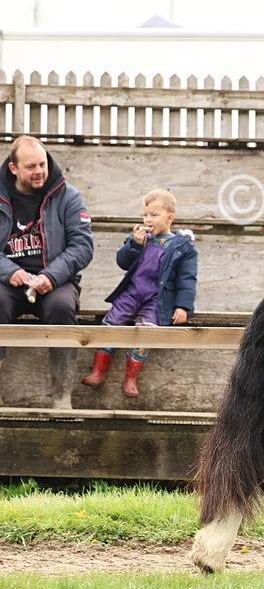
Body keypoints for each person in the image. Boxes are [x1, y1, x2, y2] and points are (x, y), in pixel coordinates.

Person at [0, 135, 94, 409]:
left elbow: (83, 246)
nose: (39, 171)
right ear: (14, 168)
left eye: (42, 164)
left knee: (63, 307)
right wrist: (9, 272)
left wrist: (50, 276)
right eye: (30, 166)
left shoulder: (68, 196)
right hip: (8, 282)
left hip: (56, 280)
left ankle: (62, 396)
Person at [81, 189, 197, 398]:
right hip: (132, 292)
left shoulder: (182, 247)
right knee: (111, 324)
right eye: (145, 215)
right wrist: (135, 244)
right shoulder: (139, 238)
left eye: (154, 215)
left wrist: (183, 307)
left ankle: (131, 380)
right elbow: (122, 262)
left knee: (147, 333)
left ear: (169, 217)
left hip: (157, 299)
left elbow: (187, 279)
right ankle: (98, 372)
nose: (147, 219)